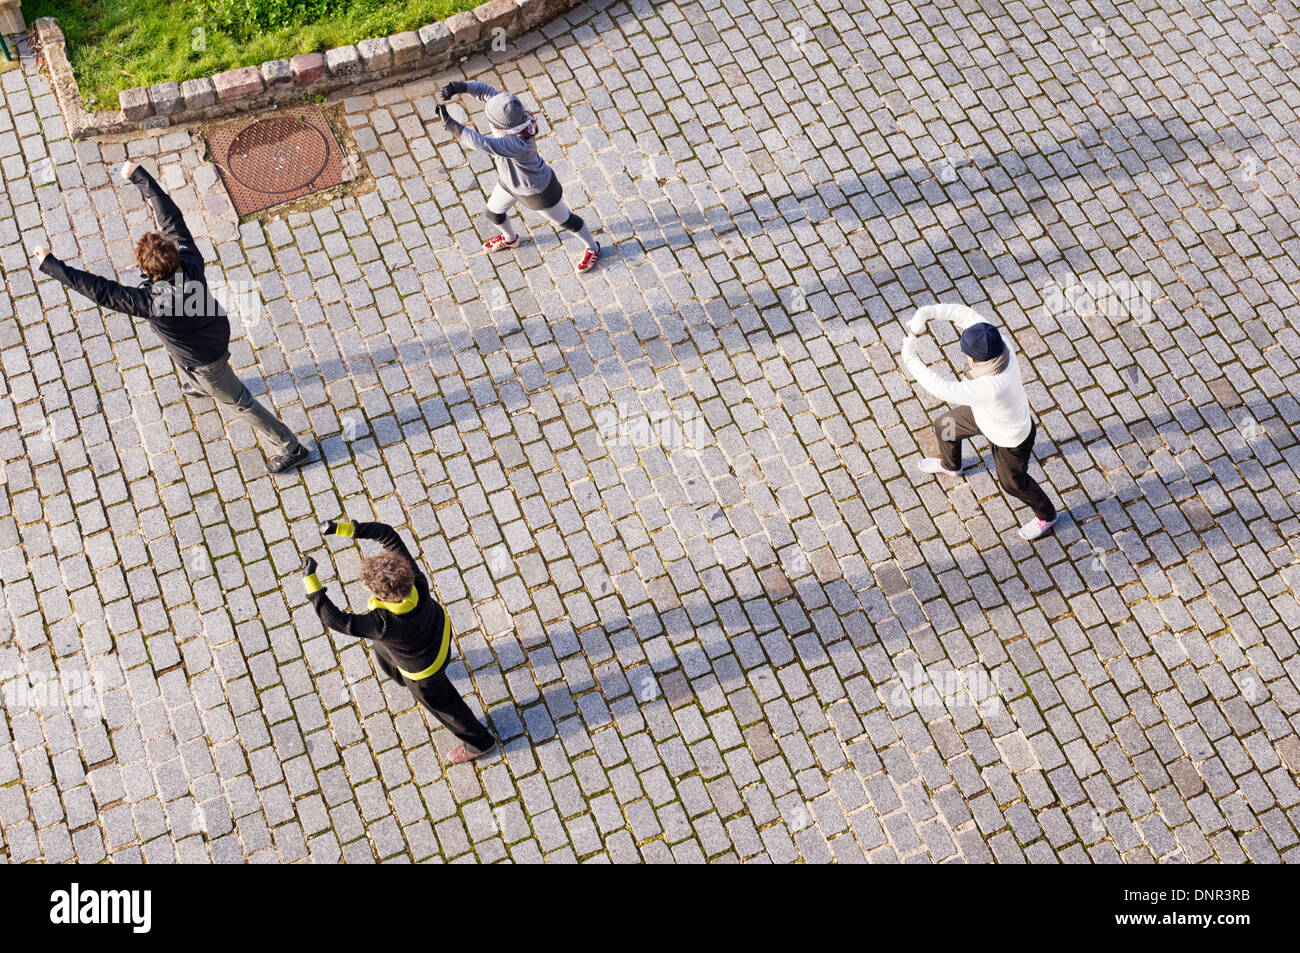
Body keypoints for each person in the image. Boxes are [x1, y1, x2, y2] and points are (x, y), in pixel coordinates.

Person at [31, 161, 311, 474]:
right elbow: (170, 216)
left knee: (239, 401)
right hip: (215, 331)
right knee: (195, 367)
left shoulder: (147, 302)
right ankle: (202, 385)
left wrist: (51, 265)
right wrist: (139, 176)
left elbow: (100, 290)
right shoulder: (191, 259)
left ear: (147, 270)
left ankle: (291, 447)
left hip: (203, 358)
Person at [299, 518, 496, 764]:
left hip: (424, 670)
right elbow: (387, 533)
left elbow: (336, 620)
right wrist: (342, 528)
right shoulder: (415, 579)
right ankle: (398, 676)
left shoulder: (382, 624)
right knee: (383, 648)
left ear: (379, 593)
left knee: (443, 703)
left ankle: (480, 742)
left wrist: (311, 582)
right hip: (437, 634)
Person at [900, 302, 1059, 541]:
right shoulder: (999, 344)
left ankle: (1047, 516)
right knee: (946, 427)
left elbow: (941, 388)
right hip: (983, 415)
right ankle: (952, 466)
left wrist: (910, 357)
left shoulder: (991, 387)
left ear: (975, 360)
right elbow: (963, 314)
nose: (964, 354)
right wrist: (927, 313)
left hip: (1010, 438)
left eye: (967, 353)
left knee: (1013, 484)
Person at [435, 80, 602, 273]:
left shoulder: (516, 144)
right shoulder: (509, 111)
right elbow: (484, 90)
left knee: (566, 221)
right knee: (493, 213)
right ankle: (510, 239)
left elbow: (481, 143)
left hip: (538, 191)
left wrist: (449, 123)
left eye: (491, 121)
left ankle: (592, 247)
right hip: (509, 183)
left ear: (500, 125)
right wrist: (458, 87)